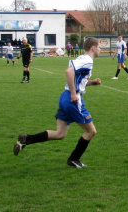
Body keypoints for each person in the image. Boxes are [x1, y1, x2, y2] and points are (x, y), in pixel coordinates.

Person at [13, 37, 102, 168]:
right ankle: (73, 159)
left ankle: (27, 139)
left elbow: (77, 79)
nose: (100, 50)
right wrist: (73, 94)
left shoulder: (82, 59)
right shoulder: (87, 60)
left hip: (65, 98)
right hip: (73, 99)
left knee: (60, 134)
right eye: (99, 47)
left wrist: (92, 82)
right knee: (91, 132)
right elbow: (69, 72)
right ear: (93, 48)